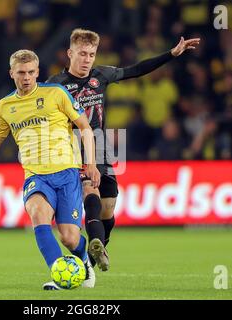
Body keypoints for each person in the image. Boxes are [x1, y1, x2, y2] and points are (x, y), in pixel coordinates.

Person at [0, 49, 100, 290]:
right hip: (35, 176)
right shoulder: (5, 106)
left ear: (37, 72)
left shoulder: (56, 93)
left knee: (69, 237)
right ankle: (59, 275)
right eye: (21, 72)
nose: (26, 77)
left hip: (66, 172)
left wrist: (92, 164)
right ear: (11, 73)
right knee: (37, 213)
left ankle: (83, 258)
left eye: (31, 72)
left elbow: (84, 126)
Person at [47, 29, 200, 280]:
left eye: (91, 54)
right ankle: (93, 246)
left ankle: (92, 258)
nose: (87, 59)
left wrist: (171, 55)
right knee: (90, 190)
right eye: (82, 54)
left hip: (102, 147)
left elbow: (136, 70)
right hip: (74, 148)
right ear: (70, 53)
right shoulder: (55, 85)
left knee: (108, 209)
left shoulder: (101, 75)